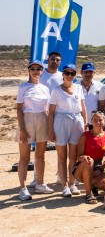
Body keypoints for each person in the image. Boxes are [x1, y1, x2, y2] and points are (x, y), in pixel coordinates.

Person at [15, 60, 54, 201]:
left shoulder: (45, 88)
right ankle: (22, 188)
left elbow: (48, 109)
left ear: (41, 71)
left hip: (42, 120)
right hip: (27, 120)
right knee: (24, 158)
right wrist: (22, 129)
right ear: (29, 71)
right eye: (33, 68)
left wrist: (50, 127)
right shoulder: (23, 87)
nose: (36, 71)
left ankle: (40, 184)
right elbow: (19, 109)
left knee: (40, 156)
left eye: (38, 68)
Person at [48, 64, 88, 197]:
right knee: (62, 156)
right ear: (63, 74)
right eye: (67, 73)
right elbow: (51, 112)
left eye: (72, 73)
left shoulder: (79, 88)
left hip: (77, 121)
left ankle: (72, 183)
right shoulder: (56, 90)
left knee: (74, 156)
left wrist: (86, 123)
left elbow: (83, 108)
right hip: (61, 121)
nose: (69, 76)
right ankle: (64, 186)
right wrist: (50, 130)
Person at [73, 112, 105, 204]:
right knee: (89, 161)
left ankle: (93, 185)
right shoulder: (85, 135)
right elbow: (78, 156)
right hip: (82, 167)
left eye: (100, 120)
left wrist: (101, 168)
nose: (97, 122)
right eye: (95, 120)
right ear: (91, 121)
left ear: (104, 121)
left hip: (97, 167)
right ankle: (88, 194)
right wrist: (84, 158)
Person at [79, 62, 103, 130]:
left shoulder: (100, 86)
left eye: (90, 72)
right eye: (86, 72)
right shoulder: (75, 86)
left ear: (94, 73)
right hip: (79, 122)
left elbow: (102, 104)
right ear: (81, 72)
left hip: (95, 123)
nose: (88, 74)